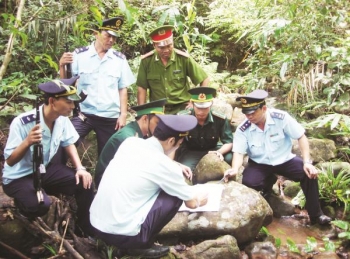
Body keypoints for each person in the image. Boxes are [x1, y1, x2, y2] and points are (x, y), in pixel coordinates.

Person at [90, 115, 209, 258]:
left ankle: (121, 245)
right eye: (180, 143)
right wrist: (199, 198)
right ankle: (140, 246)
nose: (179, 146)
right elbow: (191, 203)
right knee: (175, 195)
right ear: (172, 141)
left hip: (97, 226)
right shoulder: (165, 166)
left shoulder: (130, 143)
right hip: (124, 235)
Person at [2, 77, 95, 236]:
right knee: (40, 205)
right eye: (68, 102)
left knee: (84, 183)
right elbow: (10, 161)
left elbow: (68, 142)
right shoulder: (22, 122)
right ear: (52, 101)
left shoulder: (62, 120)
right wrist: (27, 142)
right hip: (19, 177)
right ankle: (22, 207)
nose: (72, 107)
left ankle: (85, 228)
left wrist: (80, 168)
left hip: (44, 171)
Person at [223, 89, 332, 225]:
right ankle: (268, 186)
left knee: (308, 174)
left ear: (264, 108)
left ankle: (316, 215)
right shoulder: (243, 129)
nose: (249, 117)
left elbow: (301, 136)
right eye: (246, 113)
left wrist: (307, 162)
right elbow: (238, 152)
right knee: (249, 183)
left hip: (284, 160)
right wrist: (234, 169)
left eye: (252, 113)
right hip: (260, 163)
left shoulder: (281, 118)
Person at [59, 17, 136, 156]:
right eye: (108, 36)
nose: (111, 40)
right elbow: (66, 84)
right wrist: (62, 65)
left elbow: (122, 88)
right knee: (64, 144)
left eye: (114, 37)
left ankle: (100, 178)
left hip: (109, 115)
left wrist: (123, 114)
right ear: (96, 33)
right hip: (84, 113)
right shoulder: (79, 55)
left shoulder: (119, 59)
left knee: (107, 157)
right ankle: (66, 176)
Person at [137, 25, 210, 114]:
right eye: (161, 47)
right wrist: (142, 113)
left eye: (169, 46)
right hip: (158, 110)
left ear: (173, 42)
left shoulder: (183, 59)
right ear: (154, 45)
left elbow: (204, 79)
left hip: (182, 109)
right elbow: (142, 88)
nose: (166, 50)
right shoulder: (147, 61)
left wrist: (195, 102)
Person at [94, 98, 166, 188]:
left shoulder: (138, 133)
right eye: (157, 123)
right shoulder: (129, 137)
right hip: (107, 183)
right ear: (145, 119)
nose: (159, 127)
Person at [175, 87, 233, 171]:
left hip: (212, 149)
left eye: (205, 108)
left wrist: (219, 152)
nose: (201, 112)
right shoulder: (183, 118)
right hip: (191, 151)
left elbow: (229, 142)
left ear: (211, 104)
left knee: (229, 157)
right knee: (185, 170)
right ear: (192, 103)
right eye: (198, 107)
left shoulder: (220, 118)